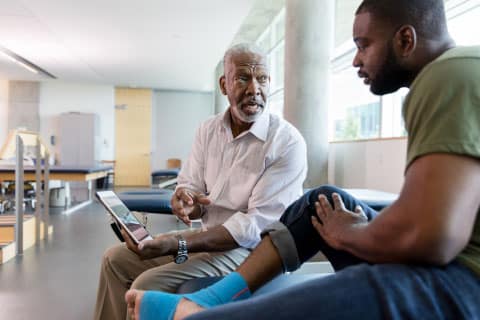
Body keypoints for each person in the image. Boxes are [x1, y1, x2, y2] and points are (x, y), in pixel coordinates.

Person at [125, 0, 480, 319]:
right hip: (452, 259)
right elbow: (428, 218)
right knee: (322, 201)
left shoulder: (447, 75)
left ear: (405, 40)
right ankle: (213, 299)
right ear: (224, 85)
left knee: (344, 257)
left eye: (363, 46)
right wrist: (189, 201)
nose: (356, 59)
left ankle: (201, 316)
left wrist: (353, 233)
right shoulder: (452, 74)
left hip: (466, 280)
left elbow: (432, 236)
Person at [93, 43, 307, 320]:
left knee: (147, 284)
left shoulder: (287, 142)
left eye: (262, 79)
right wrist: (186, 199)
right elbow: (190, 185)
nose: (255, 88)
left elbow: (256, 228)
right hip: (209, 242)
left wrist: (178, 243)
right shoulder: (209, 129)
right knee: (115, 260)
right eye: (243, 77)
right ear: (224, 84)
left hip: (253, 253)